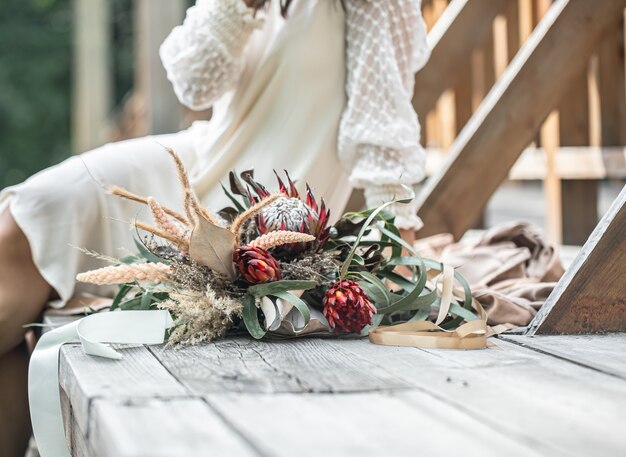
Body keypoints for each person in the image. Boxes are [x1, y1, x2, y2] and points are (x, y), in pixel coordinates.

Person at [0, 0, 429, 455]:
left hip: (261, 206)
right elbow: (192, 85)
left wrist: (398, 248)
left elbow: (382, 131)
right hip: (188, 168)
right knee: (30, 214)